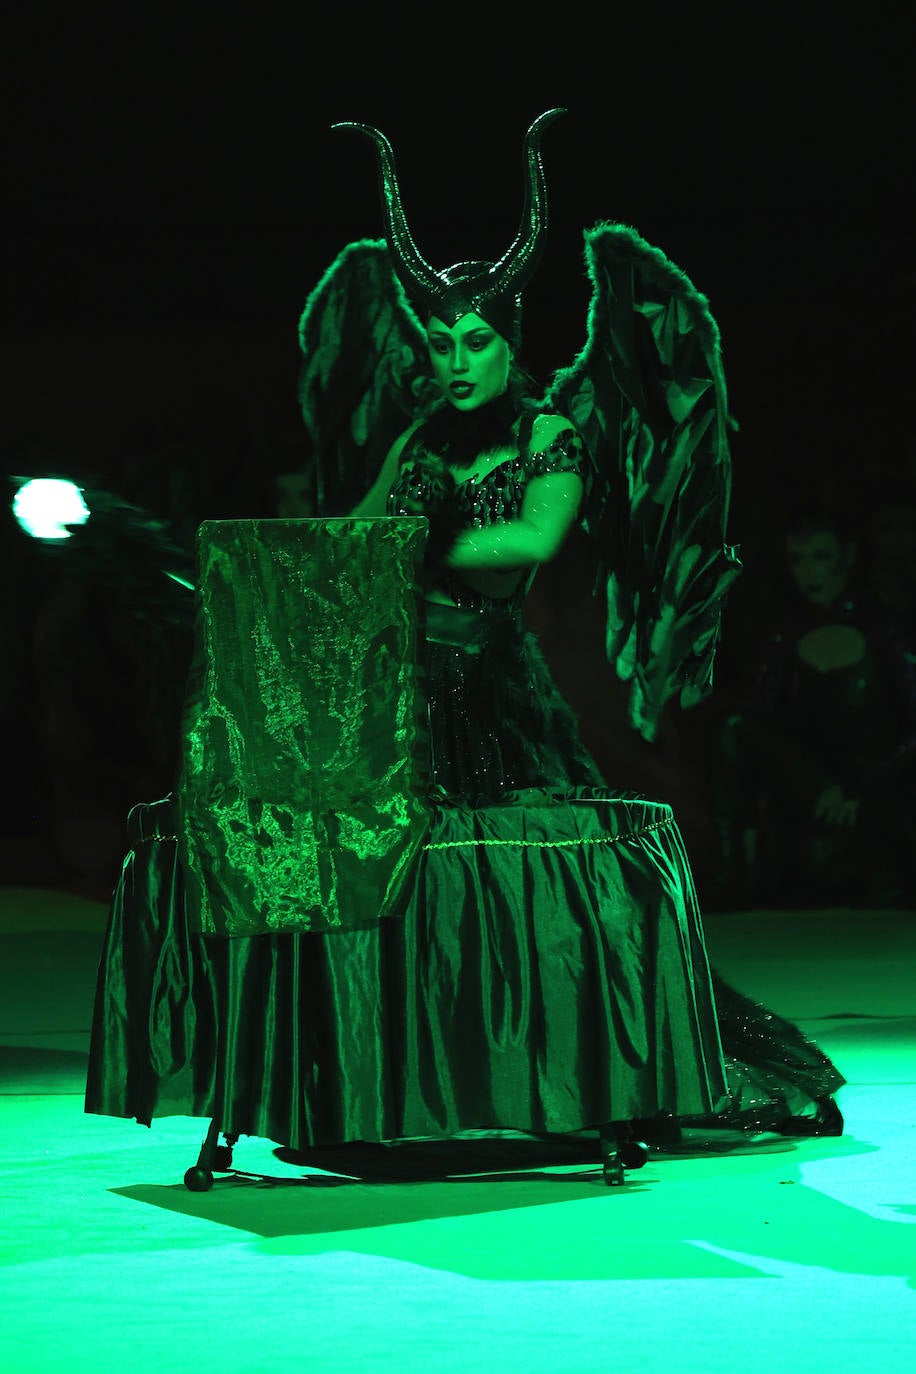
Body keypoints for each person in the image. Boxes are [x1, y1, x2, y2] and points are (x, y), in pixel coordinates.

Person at [85, 109, 844, 1188]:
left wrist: (422, 538)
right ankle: (397, 1087)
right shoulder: (422, 436)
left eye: (475, 340)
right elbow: (358, 540)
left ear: (510, 339)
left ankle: (603, 1079)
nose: (453, 359)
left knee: (520, 898)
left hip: (490, 693)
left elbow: (527, 545)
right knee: (388, 888)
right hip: (397, 687)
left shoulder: (549, 435)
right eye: (439, 340)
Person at [711, 496, 916, 909]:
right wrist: (818, 786)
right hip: (809, 800)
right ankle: (737, 876)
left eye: (821, 556)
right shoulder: (783, 635)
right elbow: (760, 727)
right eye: (797, 559)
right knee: (737, 730)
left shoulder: (885, 630)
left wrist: (861, 787)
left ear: (847, 556)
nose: (808, 572)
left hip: (877, 797)